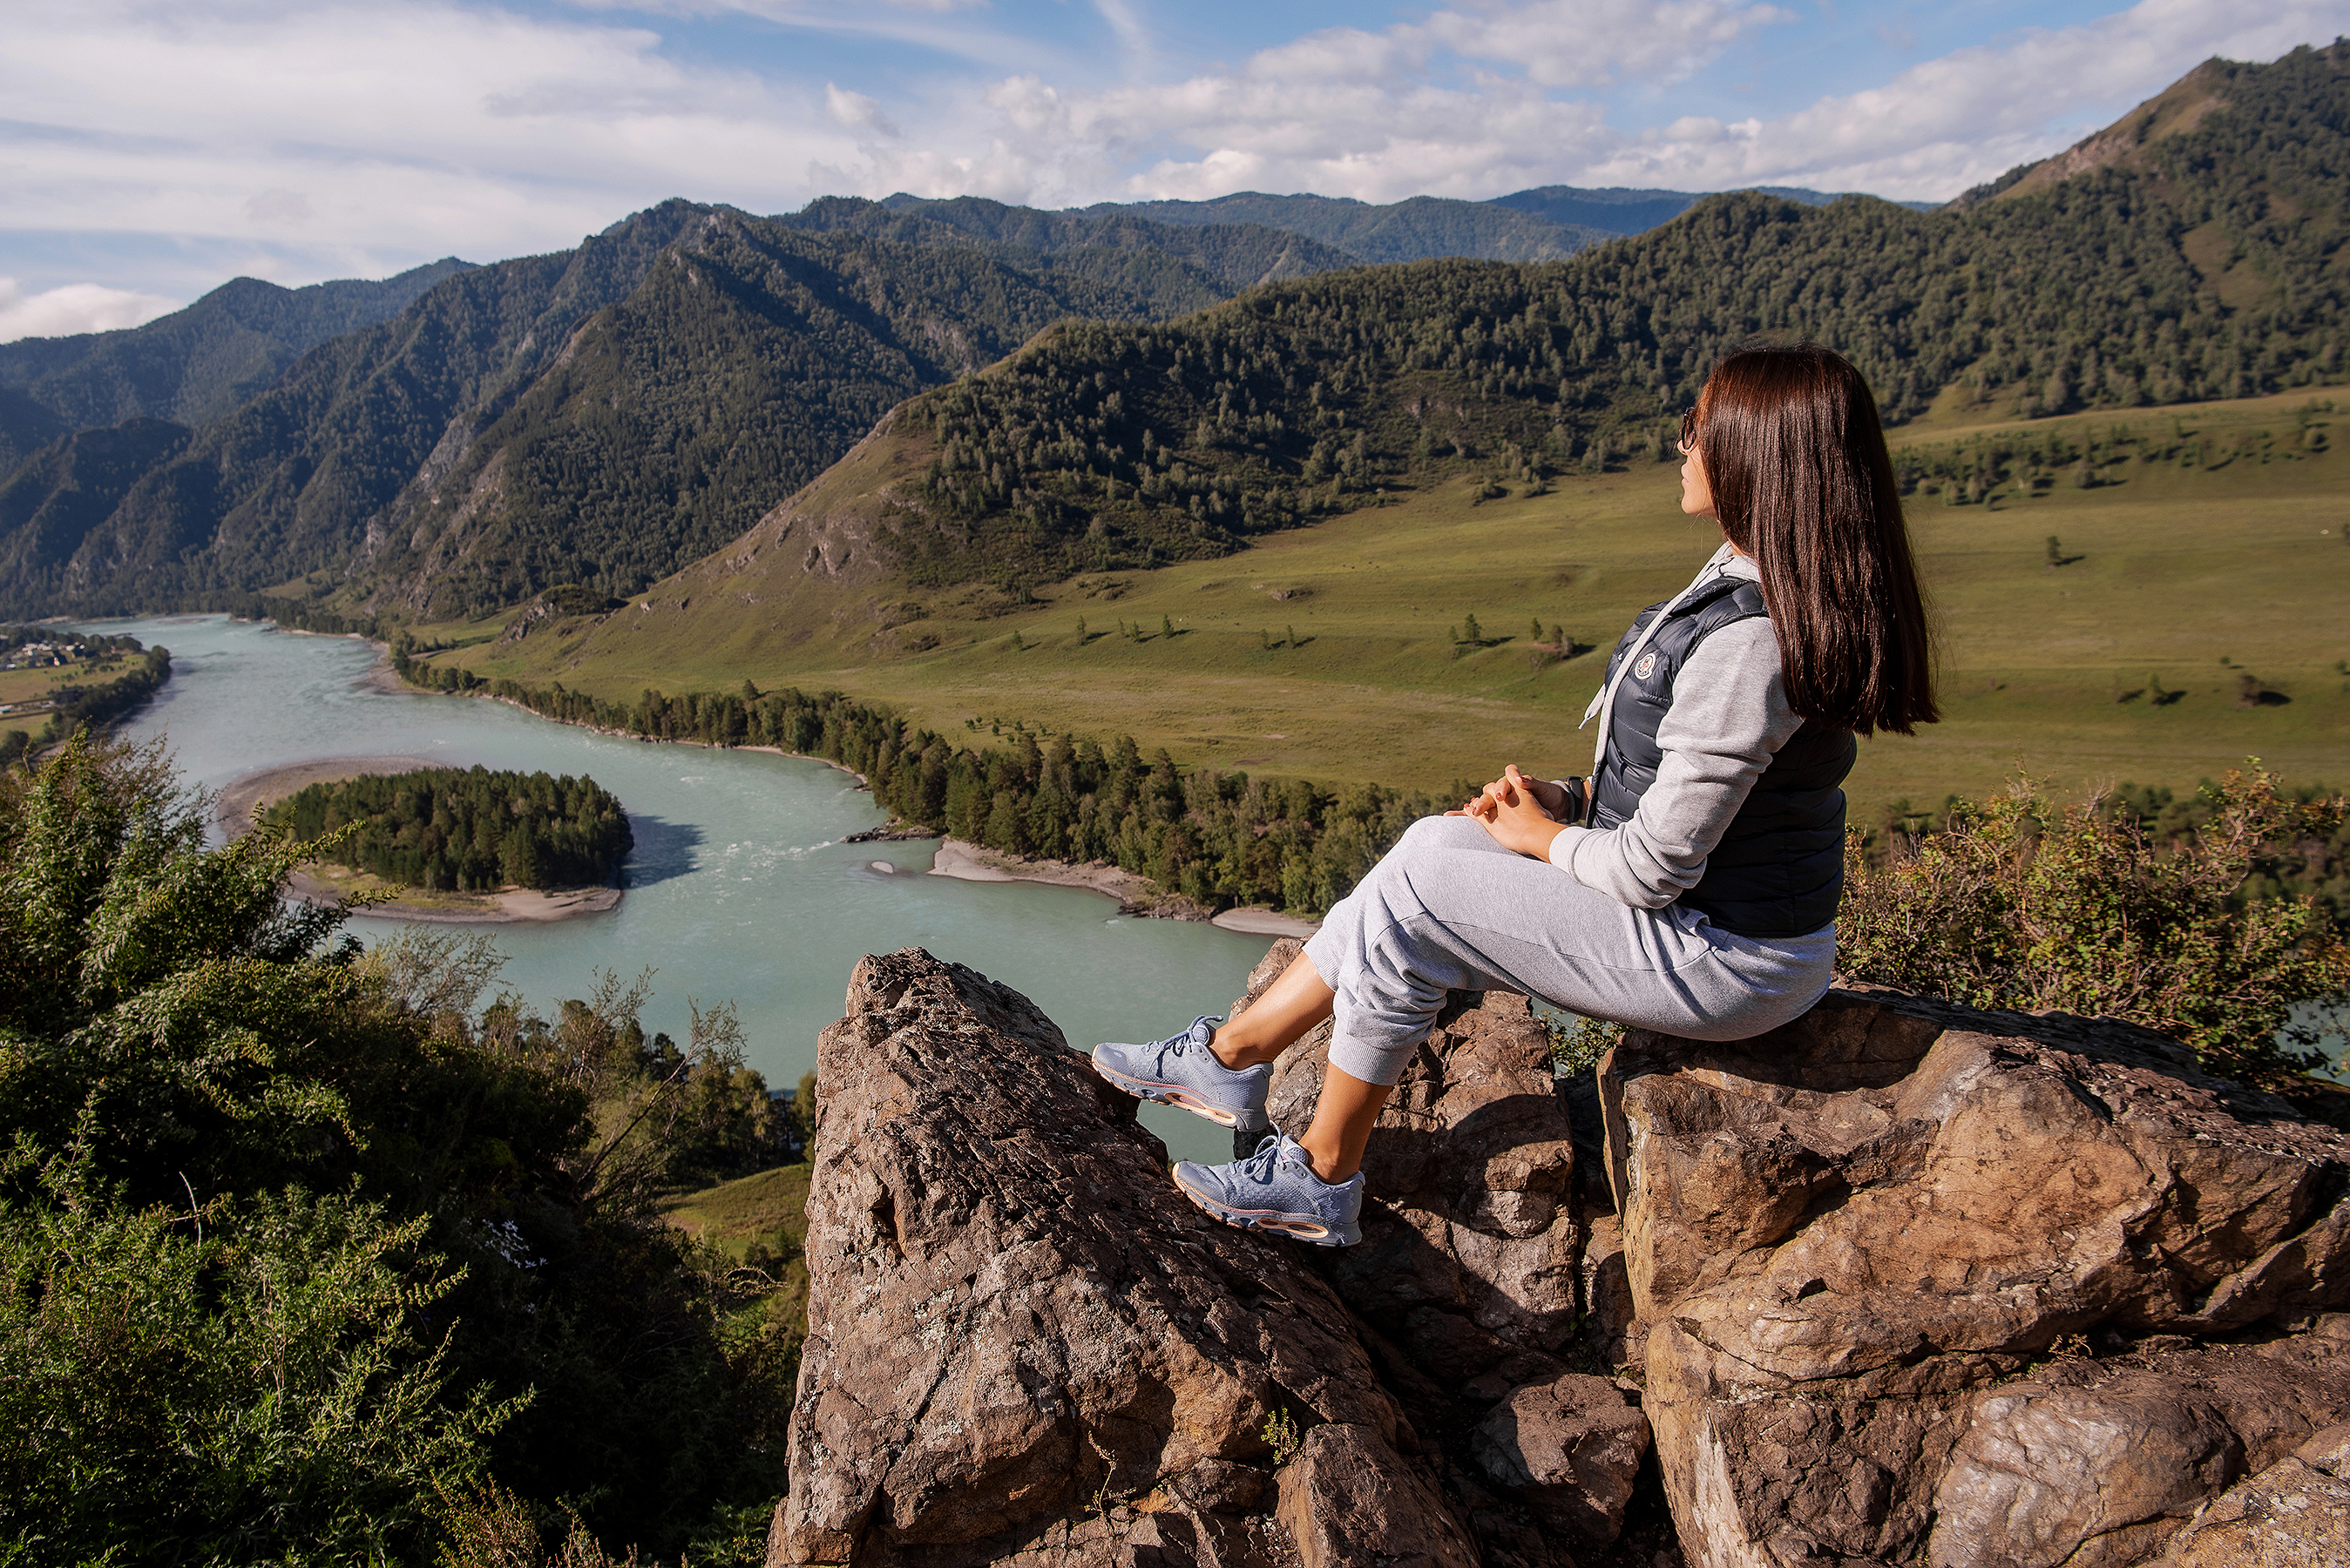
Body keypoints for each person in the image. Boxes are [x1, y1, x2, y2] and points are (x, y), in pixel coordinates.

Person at [1092, 343, 1938, 1246]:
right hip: (1724, 925)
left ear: (1758, 456)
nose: (1681, 445)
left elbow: (1656, 868)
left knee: (1418, 894)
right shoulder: (1751, 578)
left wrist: (1540, 838)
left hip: (1728, 961)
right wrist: (1567, 799)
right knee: (1428, 846)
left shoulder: (1752, 639)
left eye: (1699, 429)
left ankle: (1322, 1175)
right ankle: (1233, 1056)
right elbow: (1685, 791)